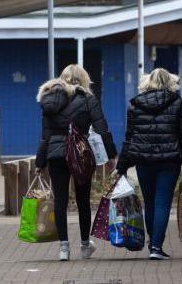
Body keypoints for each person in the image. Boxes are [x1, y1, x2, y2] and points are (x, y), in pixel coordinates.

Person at [35, 64, 117, 261]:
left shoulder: (48, 100)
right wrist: (112, 155)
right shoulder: (88, 99)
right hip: (81, 154)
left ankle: (64, 248)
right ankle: (84, 245)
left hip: (56, 155)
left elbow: (45, 136)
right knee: (83, 201)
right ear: (83, 79)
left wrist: (40, 161)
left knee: (60, 200)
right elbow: (101, 128)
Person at [116, 68, 182, 261]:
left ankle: (153, 243)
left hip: (144, 161)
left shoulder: (134, 105)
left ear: (147, 82)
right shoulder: (178, 104)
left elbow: (129, 138)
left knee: (150, 202)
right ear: (170, 82)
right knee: (162, 203)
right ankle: (156, 247)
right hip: (170, 162)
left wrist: (122, 166)